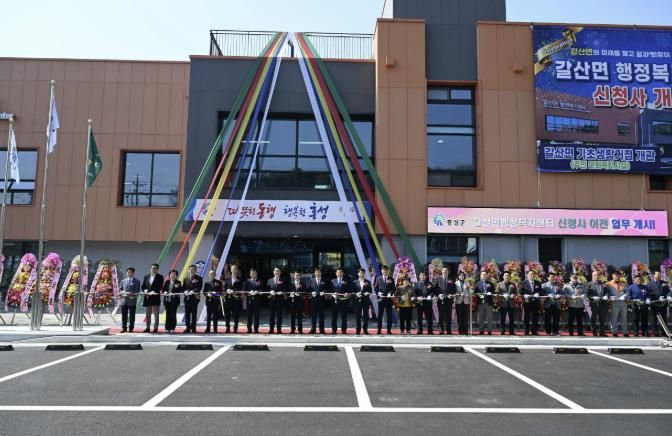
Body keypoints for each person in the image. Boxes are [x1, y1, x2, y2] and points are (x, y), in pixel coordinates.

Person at [141, 263, 163, 333]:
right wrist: (145, 290)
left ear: (157, 269)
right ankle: (148, 328)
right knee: (148, 314)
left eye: (155, 268)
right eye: (152, 268)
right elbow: (143, 286)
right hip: (148, 298)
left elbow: (160, 286)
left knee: (156, 314)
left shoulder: (160, 277)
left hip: (155, 297)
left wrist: (154, 291)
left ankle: (155, 328)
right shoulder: (146, 277)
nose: (153, 269)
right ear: (150, 269)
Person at [586, 271, 609, 337]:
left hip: (603, 304)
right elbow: (586, 294)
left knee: (602, 319)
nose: (596, 276)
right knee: (594, 318)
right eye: (595, 275)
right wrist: (592, 297)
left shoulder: (603, 284)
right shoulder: (589, 284)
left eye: (598, 275)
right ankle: (594, 332)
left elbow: (607, 292)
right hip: (594, 304)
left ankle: (602, 332)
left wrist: (606, 296)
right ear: (592, 276)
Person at [433, 267, 455, 334]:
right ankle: (441, 330)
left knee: (449, 316)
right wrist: (438, 294)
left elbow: (454, 289)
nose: (445, 272)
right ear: (441, 272)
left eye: (446, 271)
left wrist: (451, 294)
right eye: (443, 270)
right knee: (441, 315)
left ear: (448, 272)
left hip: (449, 300)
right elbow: (435, 289)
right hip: (441, 300)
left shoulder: (451, 279)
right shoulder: (438, 279)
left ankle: (449, 330)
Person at [608, 270, 629, 337]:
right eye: (616, 275)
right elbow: (606, 293)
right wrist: (609, 297)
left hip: (623, 303)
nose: (617, 277)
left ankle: (625, 331)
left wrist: (625, 296)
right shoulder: (609, 284)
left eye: (618, 275)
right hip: (614, 303)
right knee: (614, 318)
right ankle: (614, 331)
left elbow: (628, 291)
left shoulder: (623, 283)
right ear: (612, 275)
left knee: (624, 318)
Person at [375, 265, 395, 335]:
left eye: (386, 270)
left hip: (388, 299)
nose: (385, 271)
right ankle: (379, 329)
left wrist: (390, 293)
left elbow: (393, 289)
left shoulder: (391, 279)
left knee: (389, 315)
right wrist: (378, 292)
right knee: (380, 315)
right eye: (383, 270)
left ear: (388, 271)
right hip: (381, 299)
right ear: (381, 271)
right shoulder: (378, 279)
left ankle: (389, 330)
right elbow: (375, 288)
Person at [330, 267, 351, 334]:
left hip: (343, 301)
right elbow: (330, 290)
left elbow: (349, 290)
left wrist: (347, 293)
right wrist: (333, 294)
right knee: (334, 316)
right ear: (336, 273)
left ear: (343, 273)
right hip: (335, 301)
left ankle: (344, 330)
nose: (339, 273)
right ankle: (334, 330)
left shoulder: (346, 281)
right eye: (338, 272)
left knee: (344, 316)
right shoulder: (332, 281)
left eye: (341, 272)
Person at [182, 264, 203, 334]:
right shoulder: (185, 279)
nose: (192, 271)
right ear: (188, 270)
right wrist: (185, 291)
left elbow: (199, 287)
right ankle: (187, 328)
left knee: (194, 314)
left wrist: (193, 291)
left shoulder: (199, 278)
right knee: (187, 314)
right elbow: (183, 287)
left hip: (194, 298)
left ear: (196, 270)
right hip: (187, 298)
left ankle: (193, 328)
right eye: (191, 269)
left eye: (194, 269)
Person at [119, 267, 140, 333]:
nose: (129, 273)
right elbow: (120, 289)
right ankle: (124, 328)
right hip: (124, 300)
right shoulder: (123, 281)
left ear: (133, 273)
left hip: (132, 300)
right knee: (124, 315)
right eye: (128, 272)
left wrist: (131, 293)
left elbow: (137, 290)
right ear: (126, 273)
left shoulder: (137, 281)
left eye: (131, 272)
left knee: (132, 315)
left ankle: (131, 328)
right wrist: (122, 292)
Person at [648, 271, 669, 337]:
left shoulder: (664, 283)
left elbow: (668, 291)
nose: (659, 275)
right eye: (658, 274)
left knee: (664, 319)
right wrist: (658, 297)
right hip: (654, 304)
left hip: (663, 304)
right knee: (654, 319)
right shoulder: (649, 284)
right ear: (654, 275)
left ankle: (664, 332)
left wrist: (669, 296)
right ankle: (655, 332)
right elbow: (649, 293)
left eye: (660, 274)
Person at [521, 270, 541, 335]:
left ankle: (534, 331)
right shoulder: (523, 283)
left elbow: (541, 291)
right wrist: (524, 294)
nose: (532, 275)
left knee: (535, 317)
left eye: (533, 274)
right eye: (530, 274)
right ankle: (526, 330)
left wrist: (538, 293)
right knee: (526, 316)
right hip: (527, 301)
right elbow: (521, 291)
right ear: (527, 275)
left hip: (535, 302)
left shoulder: (538, 283)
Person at [308, 268, 328, 334]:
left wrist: (324, 292)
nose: (318, 273)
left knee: (321, 316)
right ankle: (313, 329)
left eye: (319, 272)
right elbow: (308, 289)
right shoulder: (311, 280)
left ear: (321, 273)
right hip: (313, 301)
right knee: (313, 316)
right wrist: (311, 293)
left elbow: (328, 288)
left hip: (322, 301)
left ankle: (321, 330)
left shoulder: (325, 280)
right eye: (316, 272)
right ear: (314, 273)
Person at [224, 265, 243, 333]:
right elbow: (225, 287)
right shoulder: (227, 278)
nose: (234, 270)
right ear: (231, 270)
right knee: (227, 314)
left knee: (236, 314)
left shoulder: (240, 279)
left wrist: (233, 291)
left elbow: (240, 288)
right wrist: (227, 290)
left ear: (237, 270)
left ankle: (235, 327)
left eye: (235, 269)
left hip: (236, 299)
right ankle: (227, 327)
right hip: (228, 299)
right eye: (233, 269)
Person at [266, 267, 286, 334]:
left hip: (280, 300)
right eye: (275, 271)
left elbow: (286, 289)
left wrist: (282, 292)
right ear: (273, 272)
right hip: (272, 300)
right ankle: (271, 329)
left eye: (278, 271)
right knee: (271, 315)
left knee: (279, 315)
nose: (277, 272)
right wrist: (270, 292)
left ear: (280, 272)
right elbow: (266, 290)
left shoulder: (283, 280)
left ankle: (279, 329)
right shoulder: (269, 280)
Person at [475, 271, 495, 335]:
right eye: (483, 274)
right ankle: (481, 330)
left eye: (485, 274)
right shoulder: (478, 283)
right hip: (480, 302)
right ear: (481, 276)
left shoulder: (491, 283)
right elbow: (475, 292)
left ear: (487, 276)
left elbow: (494, 292)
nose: (484, 275)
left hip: (488, 302)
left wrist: (490, 293)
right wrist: (478, 294)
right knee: (481, 317)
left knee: (490, 317)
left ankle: (489, 330)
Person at [353, 268, 372, 335]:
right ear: (358, 274)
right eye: (360, 273)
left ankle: (365, 329)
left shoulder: (368, 282)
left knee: (366, 315)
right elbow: (352, 291)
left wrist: (368, 293)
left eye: (363, 273)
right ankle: (358, 330)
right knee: (357, 316)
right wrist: (356, 294)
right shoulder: (355, 282)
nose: (362, 274)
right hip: (357, 300)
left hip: (365, 300)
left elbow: (370, 291)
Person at [244, 268, 263, 334]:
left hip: (257, 300)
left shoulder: (260, 281)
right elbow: (245, 291)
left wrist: (257, 292)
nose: (253, 275)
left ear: (256, 274)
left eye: (254, 273)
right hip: (249, 301)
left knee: (256, 315)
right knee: (249, 315)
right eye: (252, 274)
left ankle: (256, 329)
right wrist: (249, 293)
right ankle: (249, 328)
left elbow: (262, 290)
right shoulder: (247, 281)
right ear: (250, 274)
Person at [162, 269, 181, 333]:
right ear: (169, 275)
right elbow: (163, 290)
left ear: (176, 275)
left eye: (174, 274)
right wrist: (165, 292)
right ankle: (167, 328)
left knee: (173, 314)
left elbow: (179, 290)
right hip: (167, 301)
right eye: (171, 274)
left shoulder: (178, 282)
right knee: (168, 314)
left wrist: (174, 293)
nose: (173, 275)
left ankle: (172, 327)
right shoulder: (167, 282)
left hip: (174, 301)